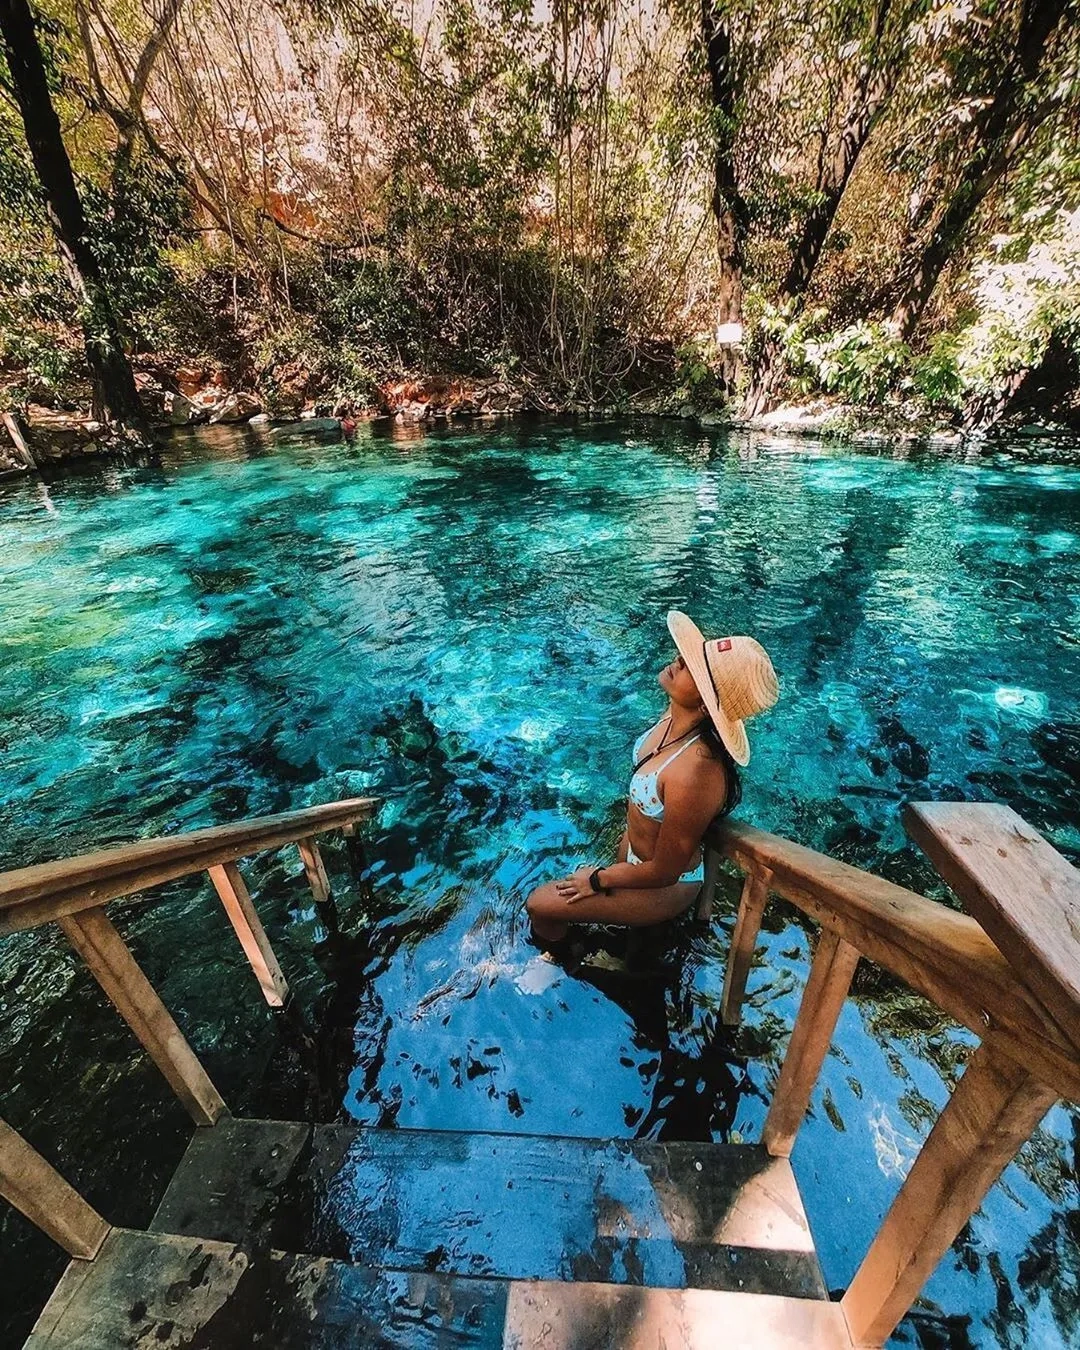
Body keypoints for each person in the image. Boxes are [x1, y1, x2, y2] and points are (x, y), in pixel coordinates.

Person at [526, 610, 779, 944]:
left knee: (539, 905)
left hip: (661, 886)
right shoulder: (675, 715)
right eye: (689, 657)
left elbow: (665, 870)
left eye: (692, 668)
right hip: (632, 861)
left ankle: (562, 960)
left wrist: (598, 879)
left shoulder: (696, 770)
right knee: (622, 934)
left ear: (706, 705)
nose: (678, 660)